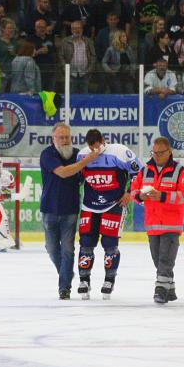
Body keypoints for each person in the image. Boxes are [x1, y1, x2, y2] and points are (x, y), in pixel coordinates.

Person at [75, 129, 142, 300]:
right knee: (86, 243)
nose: (94, 152)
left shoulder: (119, 151)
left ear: (103, 141)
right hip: (89, 205)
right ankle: (84, 279)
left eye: (97, 148)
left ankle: (109, 279)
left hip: (114, 204)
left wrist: (130, 192)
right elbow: (78, 178)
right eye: (92, 149)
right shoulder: (82, 155)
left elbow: (139, 173)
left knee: (110, 244)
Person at [39, 123, 102, 300]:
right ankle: (65, 274)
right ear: (53, 138)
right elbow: (63, 172)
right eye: (61, 137)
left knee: (67, 249)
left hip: (70, 210)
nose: (65, 140)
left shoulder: (77, 154)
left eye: (67, 137)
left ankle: (64, 287)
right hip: (49, 209)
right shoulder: (48, 154)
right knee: (51, 248)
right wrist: (86, 161)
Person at [129, 136, 184, 303]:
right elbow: (133, 191)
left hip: (171, 225)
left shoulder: (180, 171)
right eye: (154, 152)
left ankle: (160, 291)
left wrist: (162, 195)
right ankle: (170, 289)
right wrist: (140, 196)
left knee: (165, 260)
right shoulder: (144, 170)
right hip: (152, 224)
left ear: (169, 152)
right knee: (158, 260)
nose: (156, 156)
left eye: (160, 153)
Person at [59, 21, 96, 93]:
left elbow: (93, 56)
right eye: (74, 28)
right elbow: (61, 56)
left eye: (79, 28)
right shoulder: (65, 41)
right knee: (71, 97)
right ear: (71, 30)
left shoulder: (88, 41)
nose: (77, 30)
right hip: (71, 74)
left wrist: (90, 69)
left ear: (82, 29)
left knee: (84, 97)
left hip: (85, 74)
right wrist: (65, 69)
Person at [100, 29, 136, 94]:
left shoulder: (128, 48)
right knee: (118, 93)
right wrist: (110, 71)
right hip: (116, 76)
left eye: (125, 36)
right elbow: (104, 62)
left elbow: (133, 62)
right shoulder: (111, 49)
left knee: (130, 92)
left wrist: (132, 71)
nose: (125, 38)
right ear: (118, 38)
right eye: (123, 36)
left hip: (128, 75)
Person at [28, 19, 58, 91]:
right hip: (37, 70)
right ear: (35, 28)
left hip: (51, 70)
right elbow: (28, 54)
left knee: (51, 92)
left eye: (43, 27)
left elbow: (54, 49)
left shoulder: (50, 37)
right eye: (39, 27)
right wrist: (38, 52)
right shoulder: (30, 39)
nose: (42, 29)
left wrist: (48, 50)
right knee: (39, 92)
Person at [0, 19, 18, 90]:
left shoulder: (14, 41)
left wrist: (14, 54)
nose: (11, 30)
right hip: (2, 73)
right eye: (9, 28)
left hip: (13, 72)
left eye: (12, 28)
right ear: (3, 29)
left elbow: (19, 56)